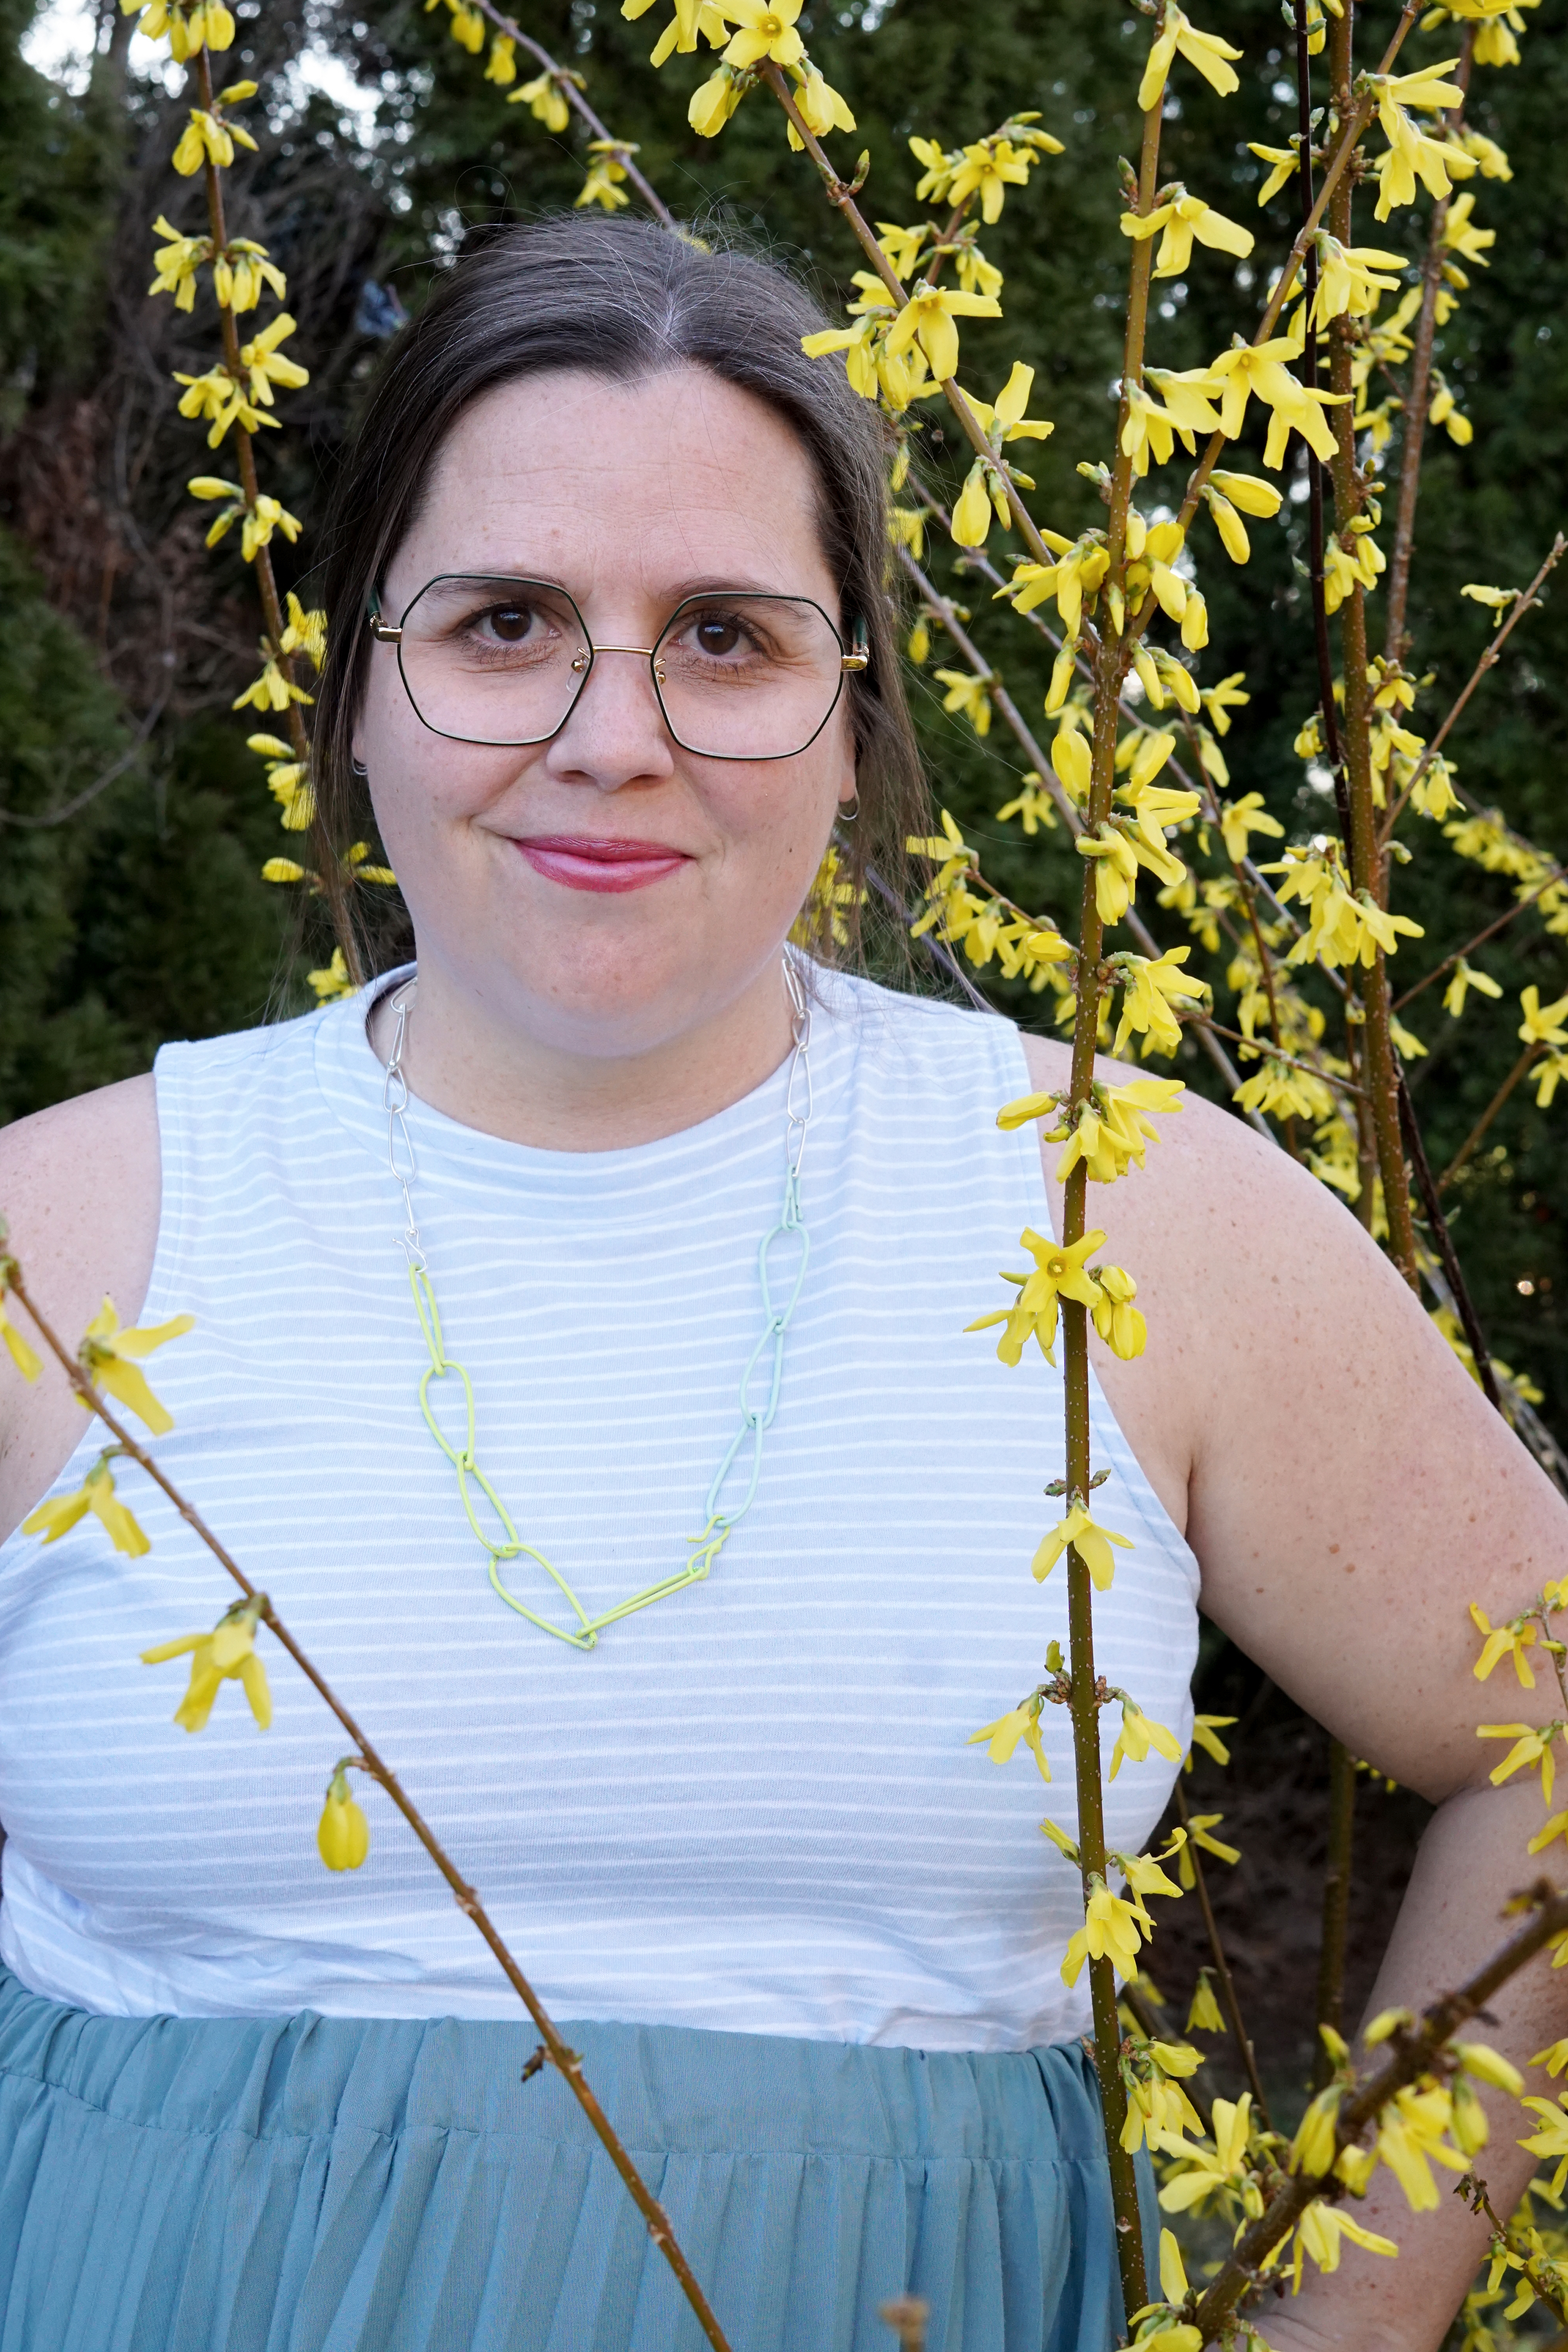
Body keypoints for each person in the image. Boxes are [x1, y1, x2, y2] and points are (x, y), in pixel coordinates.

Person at [0, 213, 1562, 2352]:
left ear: (855, 715)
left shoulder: (1129, 1216)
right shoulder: (52, 1242)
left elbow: (1547, 1719)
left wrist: (1354, 2321)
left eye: (726, 634)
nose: (608, 732)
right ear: (356, 678)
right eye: (506, 618)